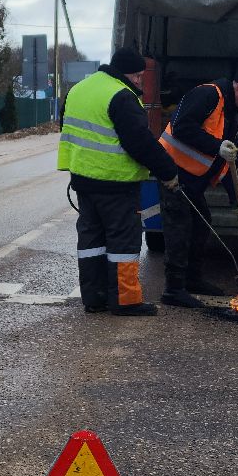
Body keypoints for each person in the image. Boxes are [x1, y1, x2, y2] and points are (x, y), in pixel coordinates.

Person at [58, 48, 181, 316]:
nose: (139, 82)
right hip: (116, 184)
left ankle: (94, 298)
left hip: (83, 180)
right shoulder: (121, 96)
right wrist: (168, 172)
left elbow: (66, 127)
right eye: (138, 76)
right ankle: (125, 301)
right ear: (128, 73)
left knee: (92, 240)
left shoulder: (78, 89)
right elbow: (141, 143)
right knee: (123, 243)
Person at [157, 67, 238, 307]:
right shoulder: (208, 95)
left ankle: (191, 279)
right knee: (180, 228)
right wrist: (215, 146)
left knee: (201, 223)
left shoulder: (231, 116)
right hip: (173, 174)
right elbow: (182, 127)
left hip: (192, 180)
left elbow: (229, 161)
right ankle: (173, 289)